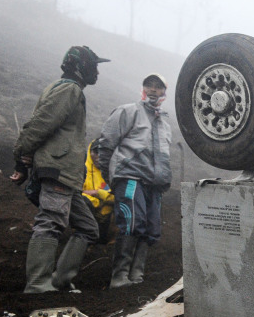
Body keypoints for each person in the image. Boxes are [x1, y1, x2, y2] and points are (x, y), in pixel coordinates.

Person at [10, 46, 109, 293]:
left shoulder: (64, 89)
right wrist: (20, 159)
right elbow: (41, 124)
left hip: (67, 174)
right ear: (80, 67)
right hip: (58, 169)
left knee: (88, 227)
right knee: (50, 221)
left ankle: (60, 280)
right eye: (93, 65)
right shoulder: (69, 89)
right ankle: (38, 283)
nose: (96, 71)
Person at [95, 73, 172, 288]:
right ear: (142, 88)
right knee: (131, 222)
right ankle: (119, 276)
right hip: (130, 175)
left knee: (151, 229)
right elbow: (107, 143)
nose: (154, 90)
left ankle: (136, 276)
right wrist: (109, 174)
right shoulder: (128, 111)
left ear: (164, 93)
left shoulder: (165, 121)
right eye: (150, 85)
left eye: (158, 87)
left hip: (154, 183)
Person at [83, 139, 116, 244]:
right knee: (83, 201)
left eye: (102, 153)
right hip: (88, 216)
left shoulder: (114, 171)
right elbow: (76, 193)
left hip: (106, 219)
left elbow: (120, 196)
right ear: (90, 152)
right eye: (95, 152)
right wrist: (96, 201)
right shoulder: (81, 169)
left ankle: (113, 240)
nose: (98, 156)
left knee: (125, 206)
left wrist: (96, 193)